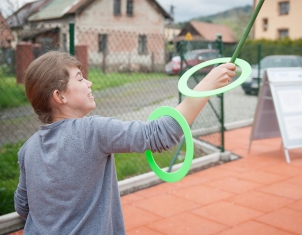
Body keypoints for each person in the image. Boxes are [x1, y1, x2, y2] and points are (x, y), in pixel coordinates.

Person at [14, 50, 236, 234]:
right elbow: (160, 134)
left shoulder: (28, 149)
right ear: (60, 96)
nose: (89, 82)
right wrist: (207, 84)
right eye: (80, 78)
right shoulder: (93, 131)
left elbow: (23, 206)